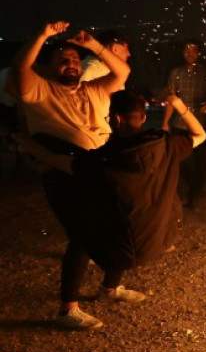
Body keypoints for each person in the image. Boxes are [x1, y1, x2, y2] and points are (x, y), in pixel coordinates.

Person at [14, 91, 206, 330]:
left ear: (114, 120)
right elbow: (201, 133)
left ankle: (67, 309)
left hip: (125, 246)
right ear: (144, 118)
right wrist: (178, 103)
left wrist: (21, 139)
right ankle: (109, 289)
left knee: (81, 234)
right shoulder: (166, 144)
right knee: (121, 217)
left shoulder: (101, 160)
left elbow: (57, 161)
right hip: (159, 239)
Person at [9, 21, 130, 330]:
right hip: (64, 173)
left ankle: (110, 288)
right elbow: (20, 66)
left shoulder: (94, 88)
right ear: (49, 67)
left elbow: (122, 73)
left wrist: (93, 45)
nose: (71, 64)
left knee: (122, 220)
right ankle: (68, 309)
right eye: (62, 60)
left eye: (75, 60)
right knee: (83, 233)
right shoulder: (39, 90)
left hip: (99, 167)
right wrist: (42, 35)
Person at [161, 41, 206, 207]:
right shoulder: (176, 73)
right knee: (177, 160)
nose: (190, 53)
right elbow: (171, 100)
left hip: (202, 123)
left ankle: (195, 196)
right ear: (182, 52)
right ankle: (191, 187)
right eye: (187, 50)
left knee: (200, 161)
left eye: (194, 50)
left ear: (199, 53)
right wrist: (165, 122)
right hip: (180, 124)